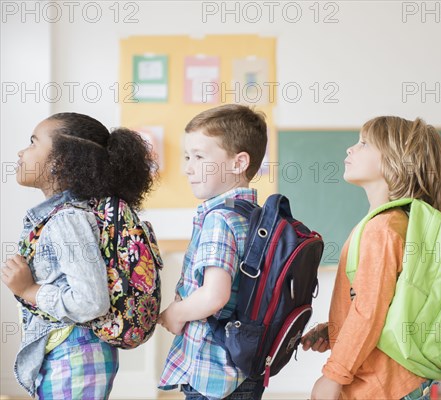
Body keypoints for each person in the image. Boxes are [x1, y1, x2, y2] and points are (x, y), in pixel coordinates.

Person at [1, 112, 155, 399]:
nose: (21, 152)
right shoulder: (66, 216)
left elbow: (90, 301)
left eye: (33, 143)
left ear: (59, 161)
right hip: (74, 354)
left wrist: (29, 290)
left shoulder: (66, 220)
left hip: (75, 356)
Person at [302, 116, 441, 399]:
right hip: (400, 380)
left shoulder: (380, 229)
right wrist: (335, 329)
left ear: (396, 161)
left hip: (381, 385)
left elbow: (368, 312)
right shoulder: (402, 222)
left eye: (364, 143)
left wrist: (333, 376)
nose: (350, 149)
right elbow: (385, 306)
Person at [158, 104, 268, 400]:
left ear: (238, 162)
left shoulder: (220, 219)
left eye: (199, 156)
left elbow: (214, 296)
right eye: (186, 157)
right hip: (243, 366)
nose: (188, 167)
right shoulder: (255, 217)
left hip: (212, 373)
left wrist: (175, 313)